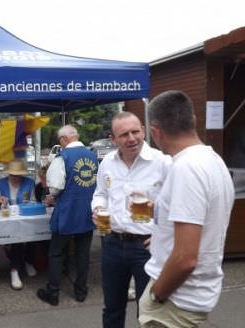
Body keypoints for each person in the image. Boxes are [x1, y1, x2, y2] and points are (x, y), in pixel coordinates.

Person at [138, 90, 234, 327]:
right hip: (190, 296)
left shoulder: (186, 168)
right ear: (193, 120)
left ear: (156, 131)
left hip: (174, 301)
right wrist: (162, 235)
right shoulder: (213, 160)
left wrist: (156, 294)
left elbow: (185, 259)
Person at [91, 112, 171, 327]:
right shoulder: (107, 162)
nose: (132, 138)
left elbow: (177, 205)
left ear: (143, 131)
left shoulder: (162, 162)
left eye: (135, 131)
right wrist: (98, 208)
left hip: (147, 247)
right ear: (113, 139)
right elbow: (100, 193)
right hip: (112, 243)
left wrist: (164, 234)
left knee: (147, 312)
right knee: (112, 309)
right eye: (124, 134)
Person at [37, 124, 98, 306]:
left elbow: (55, 188)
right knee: (83, 253)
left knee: (56, 253)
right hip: (87, 210)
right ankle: (81, 291)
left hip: (67, 211)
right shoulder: (93, 157)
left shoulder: (62, 158)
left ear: (64, 140)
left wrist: (51, 196)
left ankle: (53, 292)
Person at [0, 159, 37, 290]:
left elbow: (34, 201)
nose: (16, 178)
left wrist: (28, 204)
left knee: (34, 235)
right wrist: (0, 201)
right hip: (7, 218)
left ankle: (28, 261)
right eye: (13, 175)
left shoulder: (30, 183)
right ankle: (14, 270)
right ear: (8, 174)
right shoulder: (0, 184)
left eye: (19, 175)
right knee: (18, 238)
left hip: (25, 216)